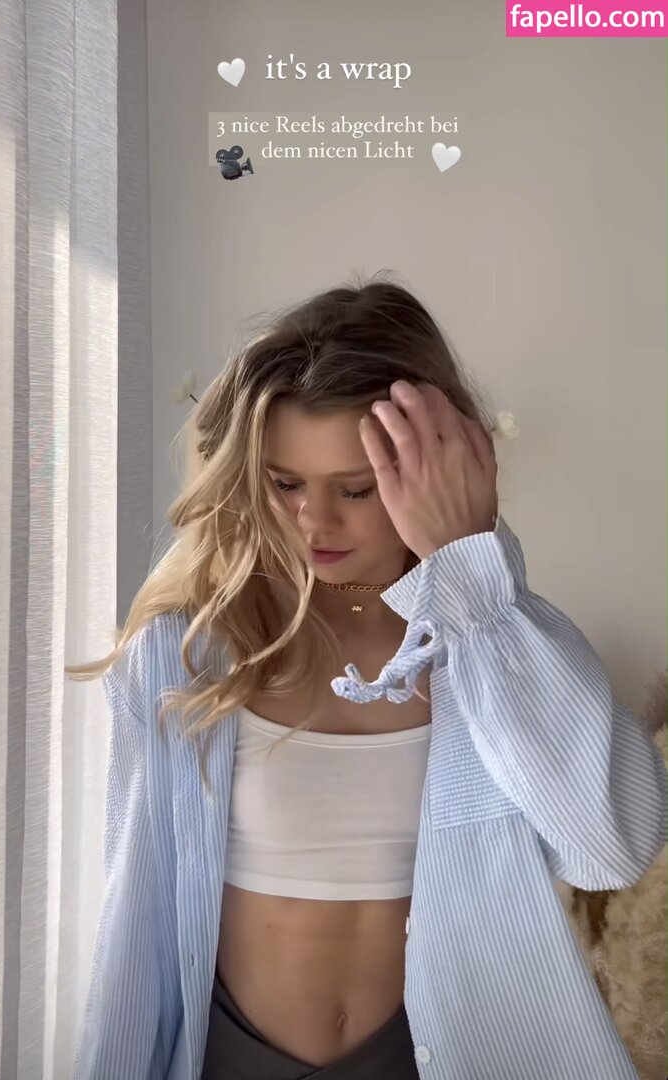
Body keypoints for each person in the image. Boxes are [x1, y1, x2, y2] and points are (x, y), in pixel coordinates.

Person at [68, 276, 667, 1080]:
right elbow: (133, 927)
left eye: (354, 488)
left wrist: (469, 576)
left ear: (437, 466)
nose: (314, 522)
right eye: (284, 483)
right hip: (229, 1058)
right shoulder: (188, 653)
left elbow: (611, 852)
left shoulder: (494, 644)